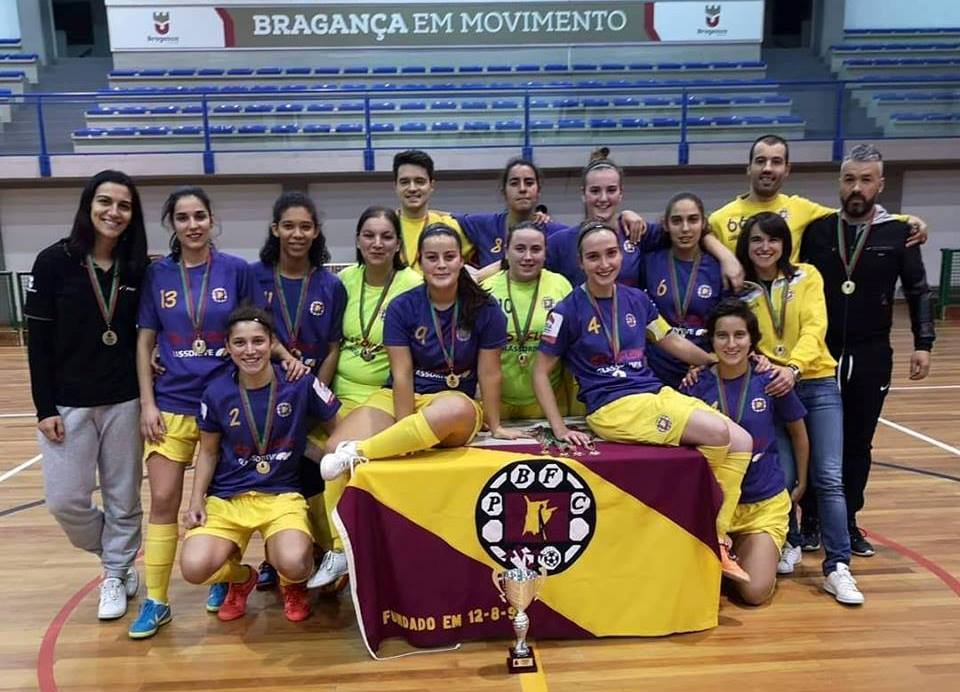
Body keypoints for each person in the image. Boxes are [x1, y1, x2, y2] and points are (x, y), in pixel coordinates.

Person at [533, 221, 753, 583]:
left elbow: (670, 342)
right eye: (593, 257)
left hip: (652, 394)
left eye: (611, 253)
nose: (604, 263)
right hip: (613, 408)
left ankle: (717, 535)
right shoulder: (566, 310)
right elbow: (541, 372)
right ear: (580, 262)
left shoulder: (636, 299)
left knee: (742, 440)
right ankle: (702, 529)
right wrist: (559, 428)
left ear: (621, 254)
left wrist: (717, 360)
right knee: (717, 432)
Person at [130, 186, 259, 639]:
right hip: (170, 405)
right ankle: (157, 600)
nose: (192, 225)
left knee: (221, 501)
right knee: (164, 499)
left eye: (199, 215)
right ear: (172, 225)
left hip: (224, 406)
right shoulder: (157, 275)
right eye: (182, 218)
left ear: (211, 219)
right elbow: (145, 341)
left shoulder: (237, 270)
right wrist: (147, 402)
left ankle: (227, 577)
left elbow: (252, 331)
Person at [799, 144, 935, 557]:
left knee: (858, 442)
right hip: (821, 354)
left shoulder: (899, 233)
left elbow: (917, 290)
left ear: (880, 183)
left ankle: (850, 521)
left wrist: (923, 344)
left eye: (865, 179)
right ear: (839, 182)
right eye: (849, 179)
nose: (856, 188)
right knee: (814, 439)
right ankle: (810, 521)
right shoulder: (819, 230)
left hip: (871, 354)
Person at [25, 170, 149, 621]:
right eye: (105, 202)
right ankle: (114, 552)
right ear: (88, 205)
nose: (113, 212)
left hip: (123, 400)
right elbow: (36, 343)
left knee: (124, 496)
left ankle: (116, 572)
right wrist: (44, 407)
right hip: (68, 403)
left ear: (132, 215)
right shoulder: (52, 261)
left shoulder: (138, 267)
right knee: (65, 500)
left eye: (124, 205)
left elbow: (146, 335)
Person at [318, 223, 521, 483]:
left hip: (452, 399)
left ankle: (360, 451)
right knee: (333, 449)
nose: (441, 265)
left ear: (461, 261)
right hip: (399, 397)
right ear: (420, 263)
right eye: (432, 257)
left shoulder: (485, 308)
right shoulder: (402, 307)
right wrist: (405, 428)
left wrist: (496, 426)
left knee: (454, 409)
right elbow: (401, 374)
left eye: (449, 257)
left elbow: (490, 373)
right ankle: (347, 516)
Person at [735, 211, 864, 604]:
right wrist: (767, 369)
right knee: (784, 475)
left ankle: (838, 566)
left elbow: (815, 326)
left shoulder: (806, 275)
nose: (764, 247)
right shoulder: (743, 289)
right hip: (772, 387)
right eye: (756, 240)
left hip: (815, 382)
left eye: (772, 239)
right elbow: (743, 339)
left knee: (827, 476)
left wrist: (792, 368)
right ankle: (789, 540)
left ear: (784, 244)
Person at [180, 307, 340, 623]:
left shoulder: (299, 382)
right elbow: (209, 452)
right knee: (193, 569)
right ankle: (241, 579)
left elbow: (339, 426)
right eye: (239, 343)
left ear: (271, 343)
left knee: (295, 562)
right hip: (229, 498)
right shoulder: (216, 392)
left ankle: (291, 583)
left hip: (281, 496)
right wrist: (195, 500)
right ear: (227, 347)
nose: (250, 350)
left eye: (258, 341)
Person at [308, 206, 421, 588]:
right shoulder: (343, 281)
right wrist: (319, 397)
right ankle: (328, 551)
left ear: (398, 243)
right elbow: (332, 345)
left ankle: (351, 554)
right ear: (357, 240)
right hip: (340, 394)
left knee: (344, 461)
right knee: (317, 462)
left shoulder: (414, 283)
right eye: (369, 235)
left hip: (385, 395)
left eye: (386, 236)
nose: (377, 243)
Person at [684, 300, 809, 604]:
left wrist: (802, 482)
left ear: (752, 340)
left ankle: (744, 549)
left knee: (754, 593)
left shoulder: (771, 381)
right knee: (693, 590)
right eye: (722, 336)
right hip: (713, 509)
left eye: (739, 335)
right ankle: (730, 549)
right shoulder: (696, 384)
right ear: (711, 340)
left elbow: (798, 433)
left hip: (761, 504)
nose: (731, 344)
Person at [250, 191, 343, 590]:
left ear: (317, 232)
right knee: (269, 477)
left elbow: (333, 347)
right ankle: (273, 556)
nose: (297, 233)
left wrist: (312, 390)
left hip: (310, 396)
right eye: (288, 225)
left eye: (305, 226)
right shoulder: (253, 278)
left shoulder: (330, 284)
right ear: (275, 229)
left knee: (311, 474)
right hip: (263, 397)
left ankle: (321, 552)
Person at [709, 134, 927, 261]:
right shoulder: (720, 218)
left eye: (776, 162)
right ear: (749, 168)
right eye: (760, 161)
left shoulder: (802, 209)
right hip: (738, 327)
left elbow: (853, 216)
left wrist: (905, 219)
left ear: (787, 169)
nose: (767, 168)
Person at [546, 148, 742, 289]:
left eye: (611, 190)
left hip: (631, 340)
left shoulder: (637, 232)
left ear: (621, 193)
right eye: (595, 191)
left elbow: (689, 231)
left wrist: (727, 258)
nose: (603, 198)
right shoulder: (561, 242)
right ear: (583, 194)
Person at [480, 221, 573, 419]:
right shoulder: (486, 291)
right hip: (497, 402)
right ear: (506, 251)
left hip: (549, 403)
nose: (528, 257)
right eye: (520, 249)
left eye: (536, 249)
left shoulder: (561, 286)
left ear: (545, 253)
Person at [643, 192, 726, 389]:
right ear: (666, 224)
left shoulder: (719, 267)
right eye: (677, 221)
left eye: (693, 220)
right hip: (658, 369)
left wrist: (711, 360)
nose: (685, 228)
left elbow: (727, 321)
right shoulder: (649, 262)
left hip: (703, 367)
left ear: (704, 224)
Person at [455, 157, 567, 278]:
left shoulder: (558, 234)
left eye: (529, 183)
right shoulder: (483, 225)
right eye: (514, 183)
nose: (522, 189)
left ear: (538, 190)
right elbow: (439, 216)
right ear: (504, 191)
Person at [393, 149, 473, 269]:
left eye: (420, 181)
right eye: (405, 182)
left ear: (431, 185)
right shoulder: (385, 226)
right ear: (396, 186)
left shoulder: (450, 225)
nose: (412, 188)